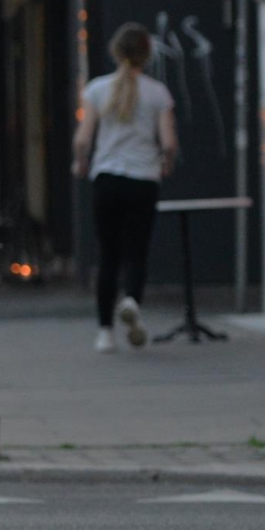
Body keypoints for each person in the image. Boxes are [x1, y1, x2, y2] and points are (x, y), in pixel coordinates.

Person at [74, 22, 178, 352]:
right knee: (136, 252)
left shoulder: (96, 89)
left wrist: (81, 162)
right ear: (147, 54)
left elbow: (83, 138)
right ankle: (132, 300)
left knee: (108, 255)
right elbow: (170, 143)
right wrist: (166, 163)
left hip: (107, 179)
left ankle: (105, 332)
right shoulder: (158, 93)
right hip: (143, 179)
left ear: (116, 52)